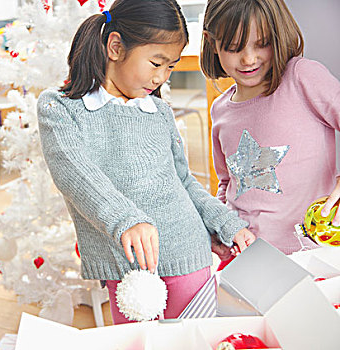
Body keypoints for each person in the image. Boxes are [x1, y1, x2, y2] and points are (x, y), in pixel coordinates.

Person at [37, 0, 255, 324]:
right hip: (126, 268)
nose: (162, 77)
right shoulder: (60, 109)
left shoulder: (159, 112)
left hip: (187, 253)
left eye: (171, 67)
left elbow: (184, 181)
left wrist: (224, 223)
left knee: (191, 343)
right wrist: (126, 219)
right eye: (156, 63)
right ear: (115, 46)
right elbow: (77, 177)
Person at [200, 0, 340, 266]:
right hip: (246, 258)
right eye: (233, 48)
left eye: (262, 43)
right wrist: (220, 226)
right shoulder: (220, 110)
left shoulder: (301, 77)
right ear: (212, 42)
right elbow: (227, 183)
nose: (249, 58)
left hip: (311, 255)